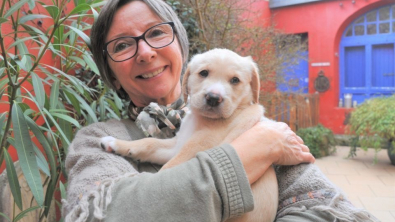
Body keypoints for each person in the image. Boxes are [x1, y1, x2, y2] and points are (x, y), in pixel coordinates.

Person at [62, 0, 378, 221]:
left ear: (182, 51)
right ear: (110, 74)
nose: (144, 52)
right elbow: (100, 216)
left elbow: (332, 209)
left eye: (156, 32)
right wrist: (255, 150)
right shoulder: (96, 141)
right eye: (122, 45)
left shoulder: (264, 128)